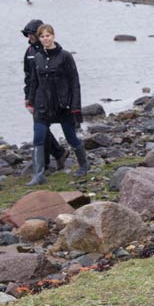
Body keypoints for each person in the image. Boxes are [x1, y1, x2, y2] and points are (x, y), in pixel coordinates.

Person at [26, 24, 89, 185]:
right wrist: (30, 101)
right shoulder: (37, 58)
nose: (45, 39)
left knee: (71, 138)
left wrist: (75, 107)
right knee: (38, 138)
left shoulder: (65, 56)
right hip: (42, 106)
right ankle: (38, 174)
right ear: (39, 39)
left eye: (48, 36)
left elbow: (75, 82)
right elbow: (34, 82)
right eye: (42, 37)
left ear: (53, 36)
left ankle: (84, 165)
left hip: (63, 105)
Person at [22, 19, 69, 174]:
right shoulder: (29, 52)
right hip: (35, 95)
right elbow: (28, 76)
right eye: (27, 35)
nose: (29, 38)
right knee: (41, 128)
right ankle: (56, 155)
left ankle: (50, 160)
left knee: (42, 127)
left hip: (52, 96)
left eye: (31, 35)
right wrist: (28, 97)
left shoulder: (50, 51)